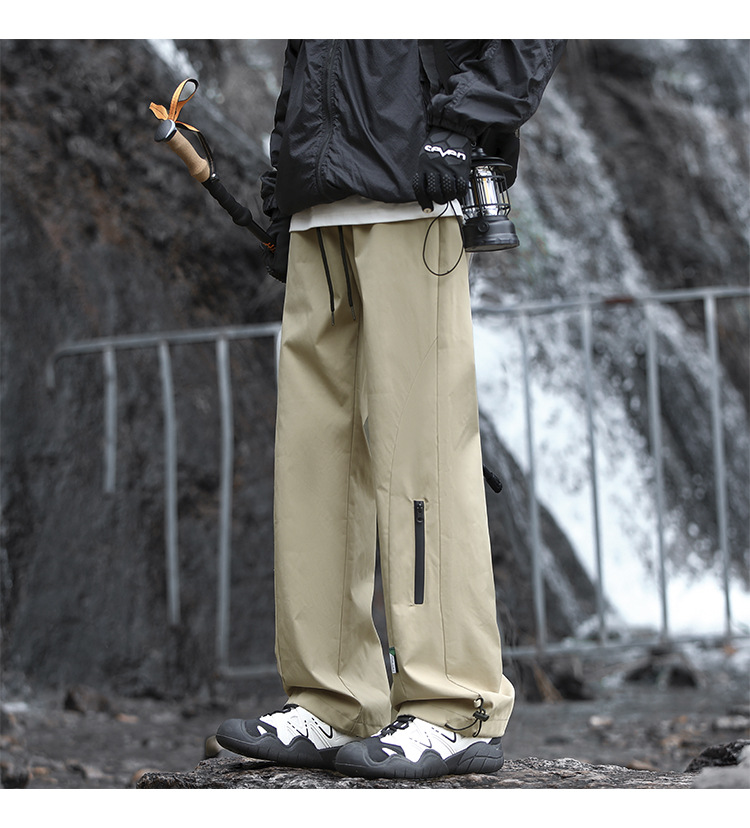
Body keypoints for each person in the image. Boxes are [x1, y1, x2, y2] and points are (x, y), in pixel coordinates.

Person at [216, 39, 565, 780]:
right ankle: (331, 697)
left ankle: (454, 703)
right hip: (317, 206)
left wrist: (461, 125)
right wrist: (285, 173)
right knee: (312, 465)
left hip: (414, 191)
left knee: (423, 458)